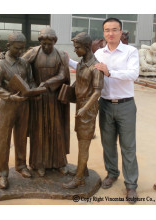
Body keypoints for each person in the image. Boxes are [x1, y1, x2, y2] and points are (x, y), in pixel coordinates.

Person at [69, 17, 139, 204]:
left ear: (121, 32)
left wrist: (110, 72)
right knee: (108, 144)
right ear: (103, 33)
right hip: (106, 105)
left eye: (114, 30)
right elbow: (85, 67)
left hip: (125, 105)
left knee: (128, 146)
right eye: (107, 30)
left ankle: (131, 185)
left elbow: (133, 74)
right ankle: (112, 174)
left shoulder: (130, 51)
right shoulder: (99, 52)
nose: (110, 33)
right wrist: (66, 59)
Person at [0, 32, 37, 189]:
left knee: (21, 137)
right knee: (4, 141)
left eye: (23, 49)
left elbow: (31, 81)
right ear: (8, 46)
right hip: (8, 106)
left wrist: (30, 90)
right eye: (17, 48)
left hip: (24, 105)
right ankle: (2, 174)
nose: (20, 52)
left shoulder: (24, 63)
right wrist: (11, 96)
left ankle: (21, 165)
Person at [23, 27, 70, 177]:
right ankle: (39, 164)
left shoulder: (61, 55)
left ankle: (59, 163)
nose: (46, 47)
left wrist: (48, 83)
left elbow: (63, 74)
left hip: (54, 99)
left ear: (55, 42)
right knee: (39, 131)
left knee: (57, 130)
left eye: (49, 44)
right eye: (44, 44)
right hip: (37, 98)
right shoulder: (33, 52)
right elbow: (20, 65)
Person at [62, 32, 104, 189]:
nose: (75, 50)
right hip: (80, 106)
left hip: (88, 109)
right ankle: (83, 169)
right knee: (80, 138)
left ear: (86, 47)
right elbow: (78, 84)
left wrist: (85, 108)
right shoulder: (80, 65)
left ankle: (79, 178)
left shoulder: (96, 67)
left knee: (83, 143)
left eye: (77, 47)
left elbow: (97, 91)